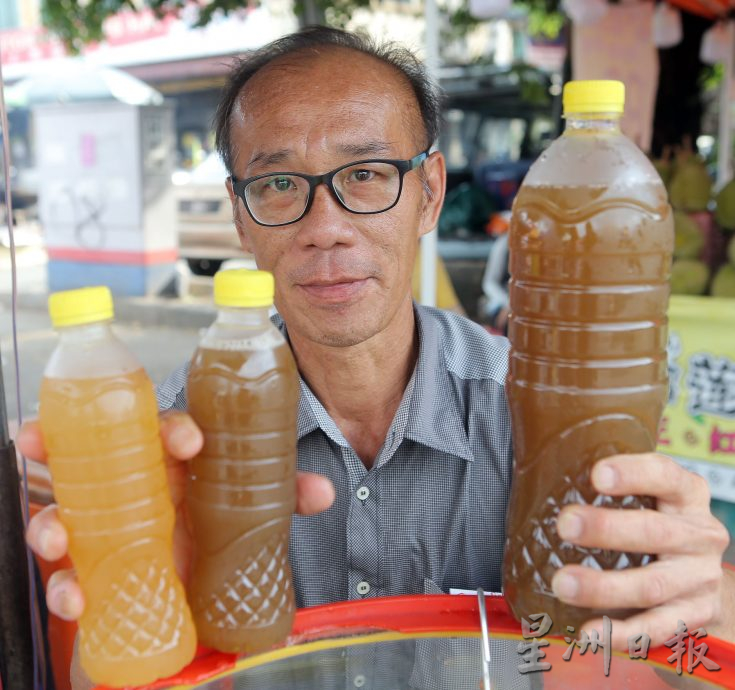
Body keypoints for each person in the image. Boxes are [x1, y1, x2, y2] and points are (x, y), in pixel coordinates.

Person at [21, 26, 734, 688]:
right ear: (241, 219)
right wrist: (157, 593)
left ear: (429, 194)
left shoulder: (535, 411)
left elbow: (642, 656)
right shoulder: (176, 446)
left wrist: (707, 606)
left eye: (365, 174)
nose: (324, 228)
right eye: (276, 185)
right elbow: (101, 673)